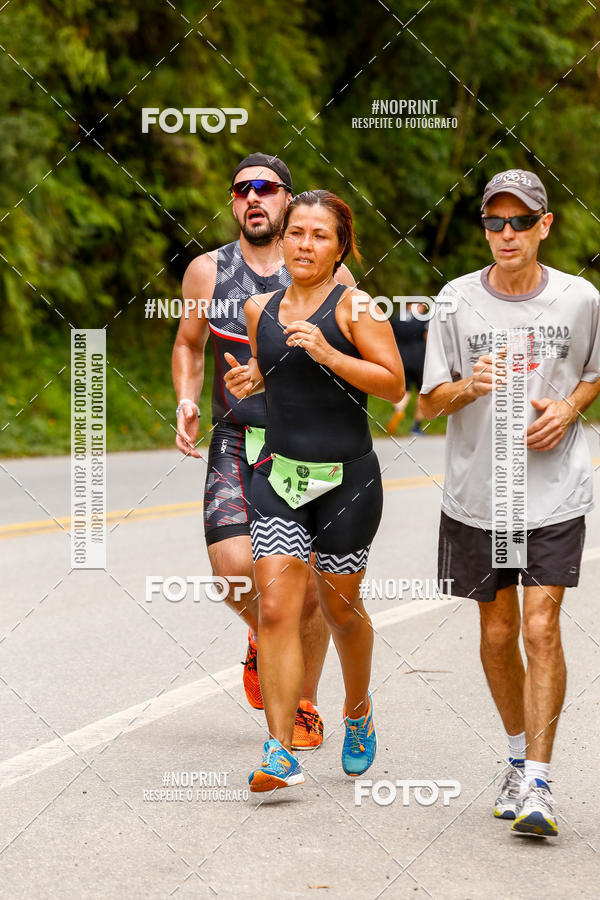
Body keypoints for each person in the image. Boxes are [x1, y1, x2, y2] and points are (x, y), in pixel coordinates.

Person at [420, 169, 600, 836]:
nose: (506, 234)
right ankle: (518, 755)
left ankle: (542, 785)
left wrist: (570, 409)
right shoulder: (453, 301)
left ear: (544, 226)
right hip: (479, 497)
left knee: (540, 628)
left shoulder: (581, 300)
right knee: (497, 636)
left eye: (519, 222)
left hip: (553, 492)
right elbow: (426, 402)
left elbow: (593, 372)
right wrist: (470, 386)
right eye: (494, 222)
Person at [172, 153, 355, 750]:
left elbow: (352, 357)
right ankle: (263, 637)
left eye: (267, 189)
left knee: (306, 589)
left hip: (302, 437)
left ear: (287, 199)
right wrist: (186, 399)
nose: (254, 198)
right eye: (242, 189)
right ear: (233, 203)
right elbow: (189, 344)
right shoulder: (207, 271)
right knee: (232, 572)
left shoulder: (327, 270)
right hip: (233, 432)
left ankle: (302, 703)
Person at [225, 190, 405, 791]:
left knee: (340, 610)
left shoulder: (356, 308)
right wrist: (255, 375)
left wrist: (329, 352)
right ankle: (279, 749)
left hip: (347, 484)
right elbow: (275, 374)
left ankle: (357, 710)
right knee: (276, 609)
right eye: (296, 233)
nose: (305, 244)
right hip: (279, 474)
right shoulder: (260, 310)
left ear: (340, 246)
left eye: (319, 235)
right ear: (282, 240)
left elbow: (393, 385)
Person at [386, 301, 428, 435]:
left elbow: (391, 338)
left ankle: (398, 411)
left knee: (406, 390)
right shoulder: (424, 319)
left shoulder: (398, 318)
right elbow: (428, 338)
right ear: (418, 305)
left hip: (401, 359)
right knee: (422, 393)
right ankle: (416, 427)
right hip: (420, 359)